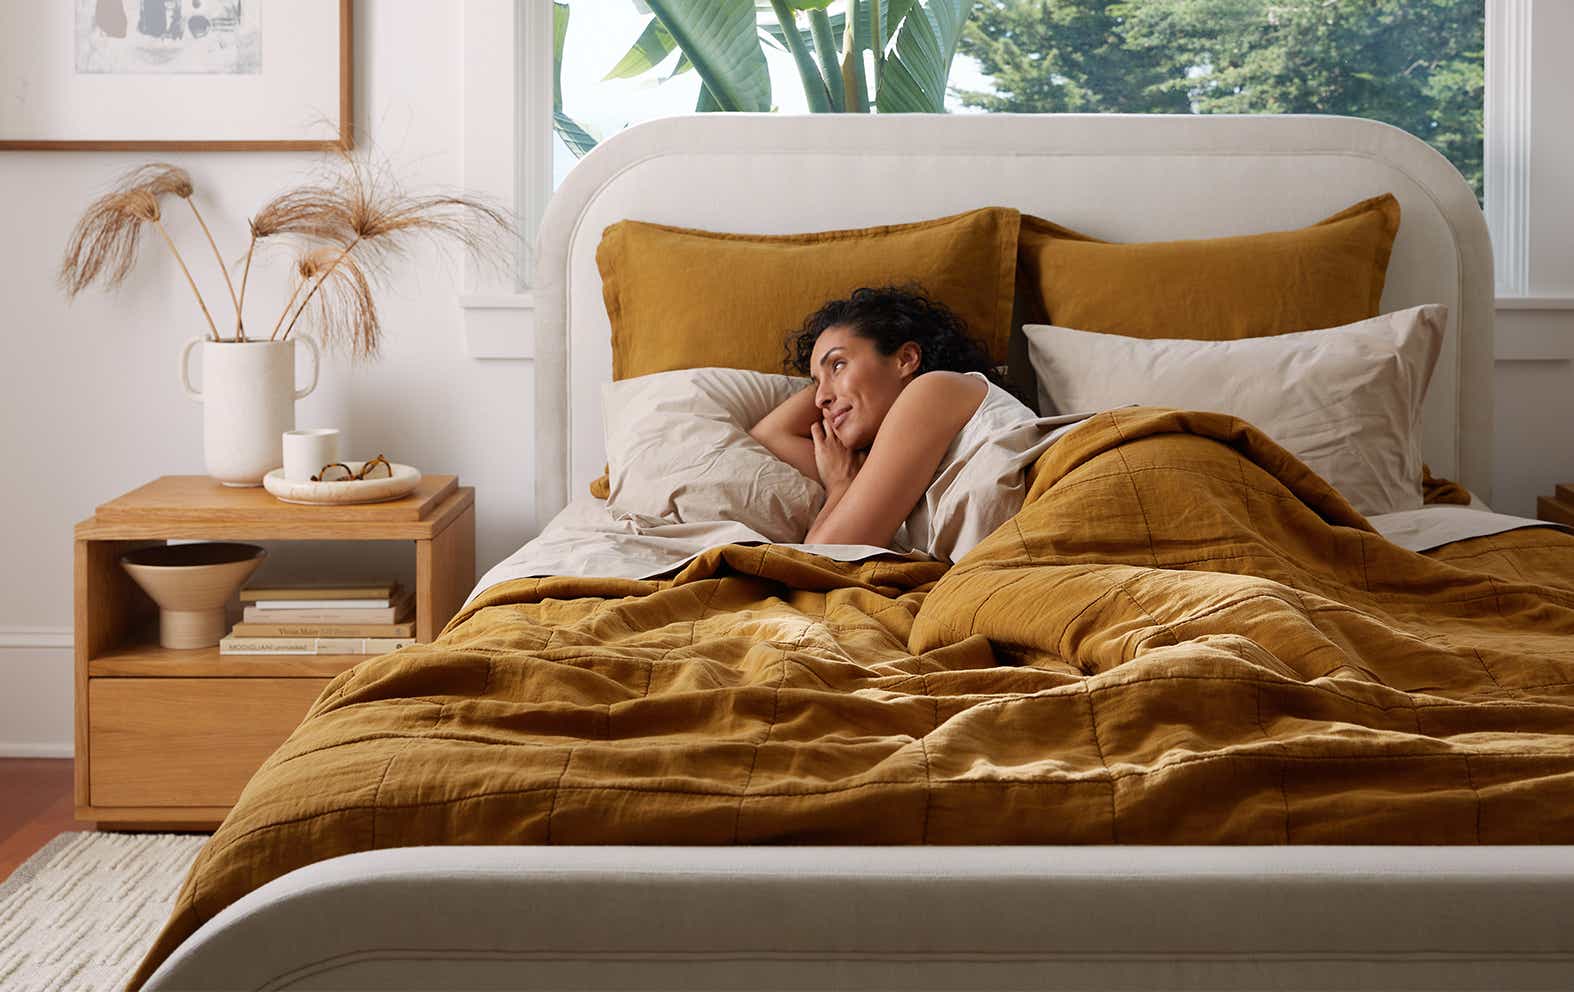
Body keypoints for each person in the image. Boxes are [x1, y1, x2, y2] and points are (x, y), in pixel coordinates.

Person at [749, 285, 1023, 549]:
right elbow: (769, 435)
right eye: (815, 382)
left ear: (905, 359)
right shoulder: (869, 465)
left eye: (839, 364)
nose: (819, 398)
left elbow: (826, 553)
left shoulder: (934, 390)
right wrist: (834, 383)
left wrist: (840, 488)